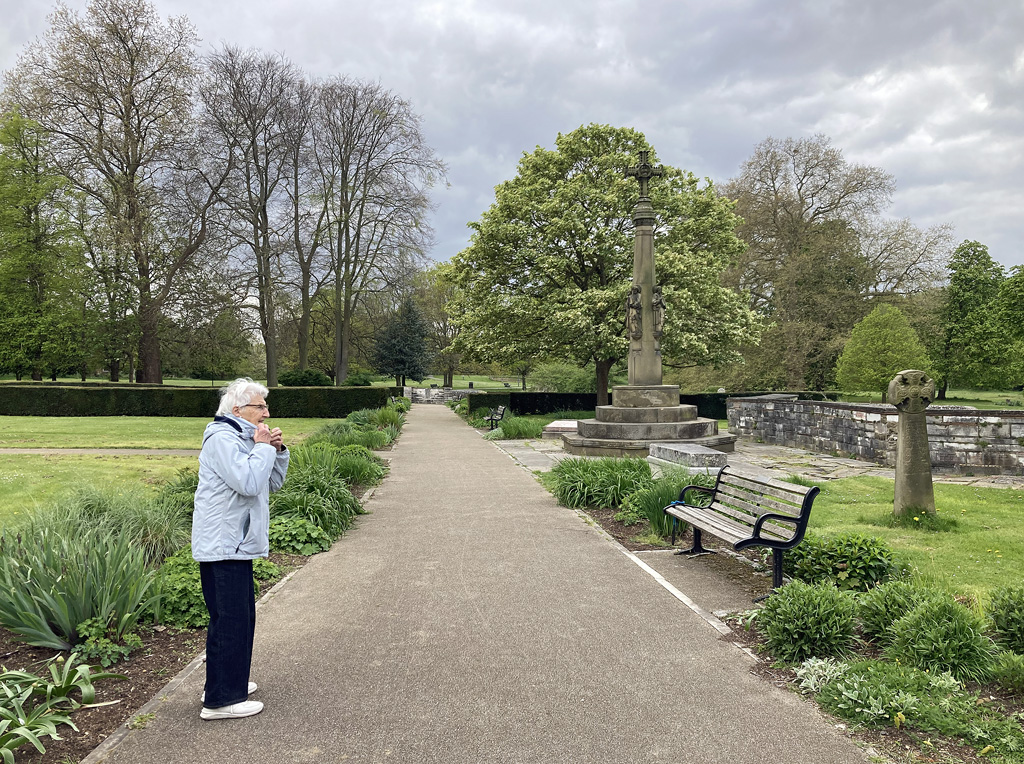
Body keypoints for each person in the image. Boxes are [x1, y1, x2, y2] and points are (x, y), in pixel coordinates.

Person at [192, 378, 289, 720]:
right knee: (231, 620)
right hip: (224, 545)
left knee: (239, 618)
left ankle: (227, 682)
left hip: (236, 544)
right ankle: (221, 701)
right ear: (238, 410)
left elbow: (271, 482)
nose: (266, 412)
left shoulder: (244, 437)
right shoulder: (221, 439)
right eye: (260, 406)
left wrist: (275, 451)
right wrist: (262, 448)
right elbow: (248, 483)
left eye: (265, 406)